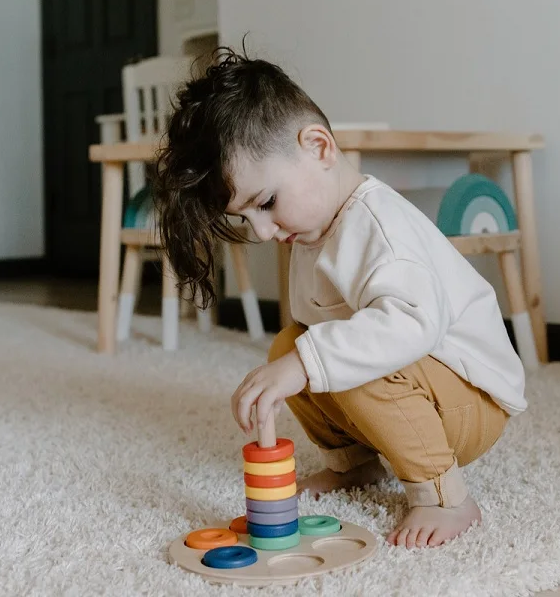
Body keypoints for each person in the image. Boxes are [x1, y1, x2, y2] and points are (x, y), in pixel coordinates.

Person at [150, 46, 528, 549]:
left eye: (266, 203)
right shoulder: (313, 230)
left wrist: (307, 363)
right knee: (291, 346)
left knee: (331, 359)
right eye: (247, 217)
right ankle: (355, 464)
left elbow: (409, 327)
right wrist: (297, 361)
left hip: (472, 400)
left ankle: (446, 498)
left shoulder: (380, 228)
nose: (262, 231)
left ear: (319, 147)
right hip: (418, 389)